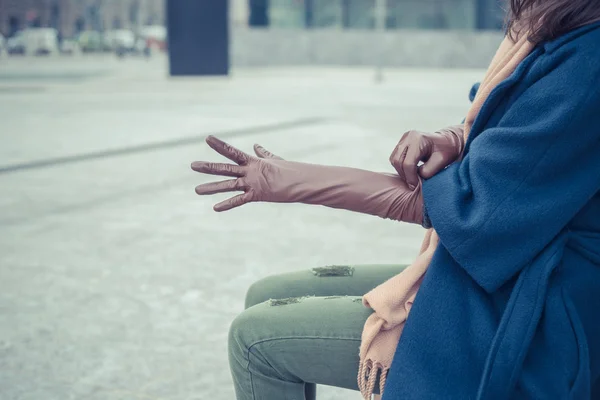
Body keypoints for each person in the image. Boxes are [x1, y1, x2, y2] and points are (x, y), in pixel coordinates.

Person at [191, 1, 600, 398]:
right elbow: (509, 119)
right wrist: (455, 137)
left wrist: (298, 181)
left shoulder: (589, 61)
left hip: (534, 312)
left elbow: (474, 209)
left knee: (254, 338)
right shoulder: (553, 26)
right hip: (500, 271)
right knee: (267, 292)